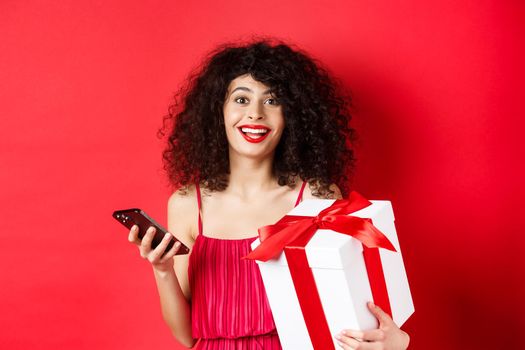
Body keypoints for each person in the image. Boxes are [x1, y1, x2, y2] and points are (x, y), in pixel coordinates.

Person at [128, 39, 410, 349]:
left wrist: (397, 340)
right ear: (217, 111)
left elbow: (352, 300)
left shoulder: (316, 198)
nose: (255, 114)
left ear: (292, 116)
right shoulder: (186, 205)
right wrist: (162, 269)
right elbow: (186, 336)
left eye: (273, 101)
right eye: (241, 99)